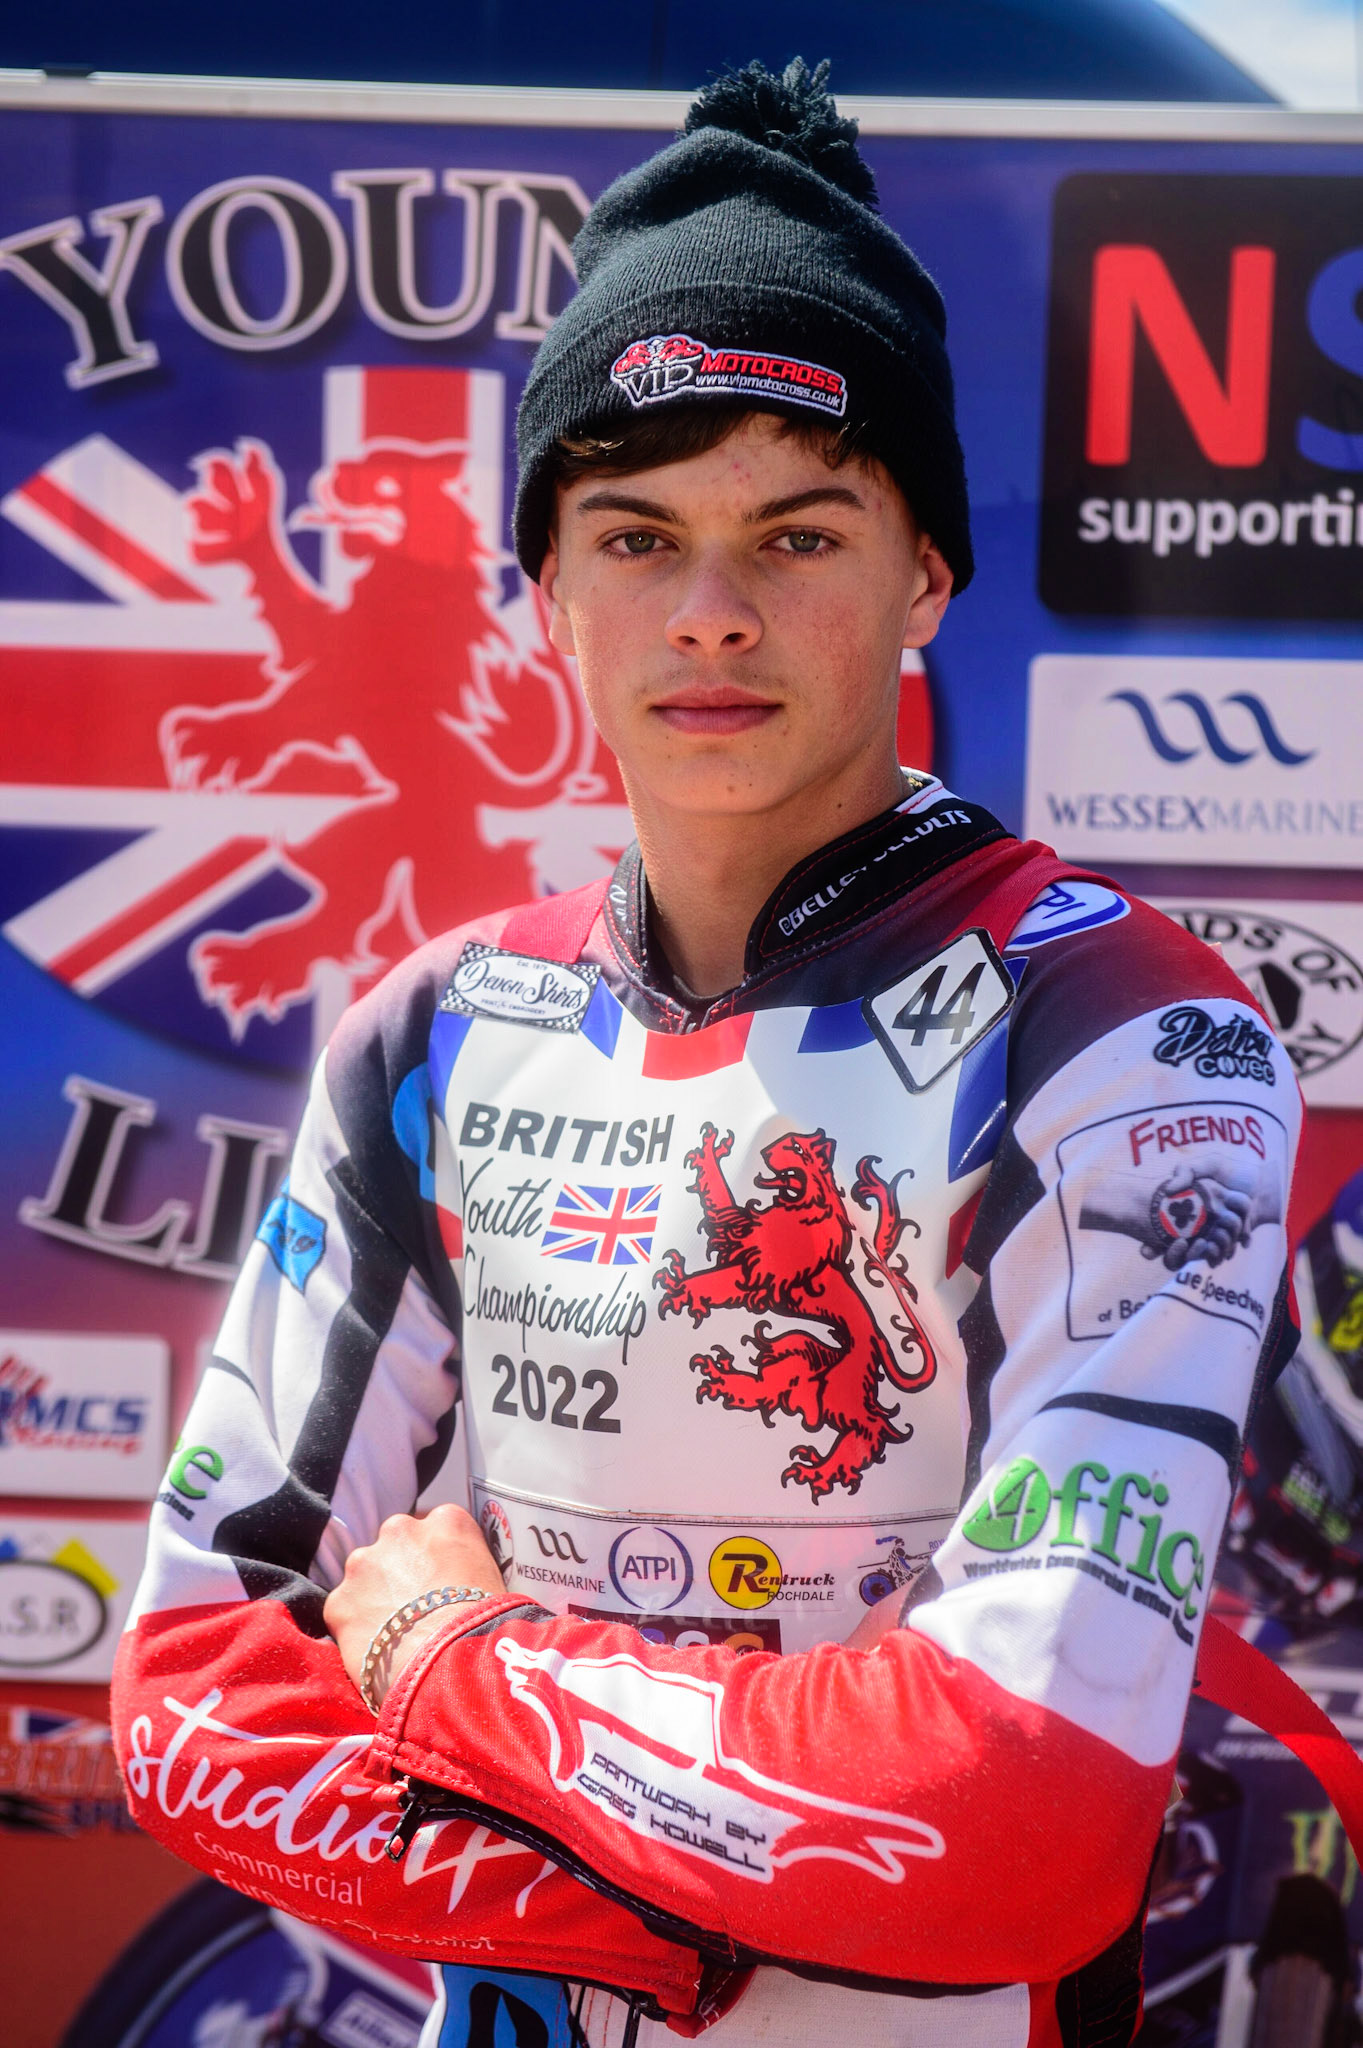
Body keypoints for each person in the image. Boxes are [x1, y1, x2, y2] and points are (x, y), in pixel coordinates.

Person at [112, 59, 1300, 2048]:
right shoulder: (431, 1029)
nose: (713, 616)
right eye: (637, 534)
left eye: (801, 532)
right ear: (546, 590)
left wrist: (459, 1661)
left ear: (927, 572)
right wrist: (677, 1941)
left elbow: (1008, 1811)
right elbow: (185, 1685)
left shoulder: (1124, 1028)